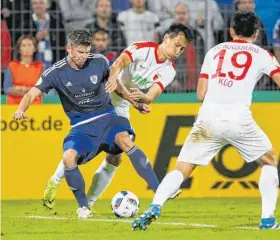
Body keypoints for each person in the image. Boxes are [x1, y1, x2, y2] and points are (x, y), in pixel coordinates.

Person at [132, 11, 280, 231]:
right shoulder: (263, 54)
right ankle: (267, 220)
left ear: (231, 31)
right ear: (255, 34)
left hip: (208, 118)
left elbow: (200, 94)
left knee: (183, 167)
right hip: (238, 119)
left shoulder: (214, 51)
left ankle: (155, 205)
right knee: (268, 162)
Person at [42, 24, 193, 210]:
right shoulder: (142, 48)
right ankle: (54, 181)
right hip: (100, 98)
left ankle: (88, 203)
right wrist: (114, 78)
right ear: (166, 39)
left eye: (182, 48)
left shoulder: (169, 71)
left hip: (121, 105)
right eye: (176, 44)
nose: (177, 51)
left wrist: (141, 100)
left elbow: (151, 96)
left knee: (116, 156)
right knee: (80, 147)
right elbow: (118, 63)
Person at [12, 29, 156, 219]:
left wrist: (135, 102)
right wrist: (21, 109)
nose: (83, 56)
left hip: (108, 118)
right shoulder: (56, 72)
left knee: (125, 141)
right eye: (79, 52)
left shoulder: (99, 61)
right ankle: (83, 207)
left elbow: (117, 87)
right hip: (81, 127)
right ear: (69, 49)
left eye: (86, 51)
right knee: (69, 157)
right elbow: (31, 93)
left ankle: (159, 190)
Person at [4, 35, 44, 104]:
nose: (27, 48)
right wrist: (31, 90)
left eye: (29, 45)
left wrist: (21, 89)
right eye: (24, 45)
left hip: (35, 106)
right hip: (14, 106)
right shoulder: (12, 66)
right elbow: (7, 89)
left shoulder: (40, 67)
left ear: (35, 48)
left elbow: (42, 90)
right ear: (19, 49)